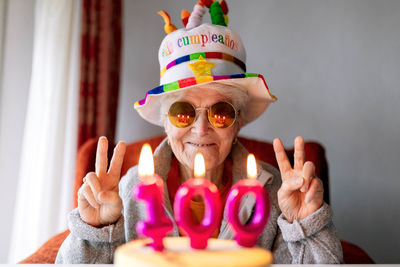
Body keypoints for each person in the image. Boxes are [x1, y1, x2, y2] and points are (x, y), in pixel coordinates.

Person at [56, 1, 343, 264]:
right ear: (165, 122)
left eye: (221, 112)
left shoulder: (277, 193)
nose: (201, 128)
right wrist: (95, 230)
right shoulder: (129, 191)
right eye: (183, 112)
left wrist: (306, 227)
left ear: (238, 121)